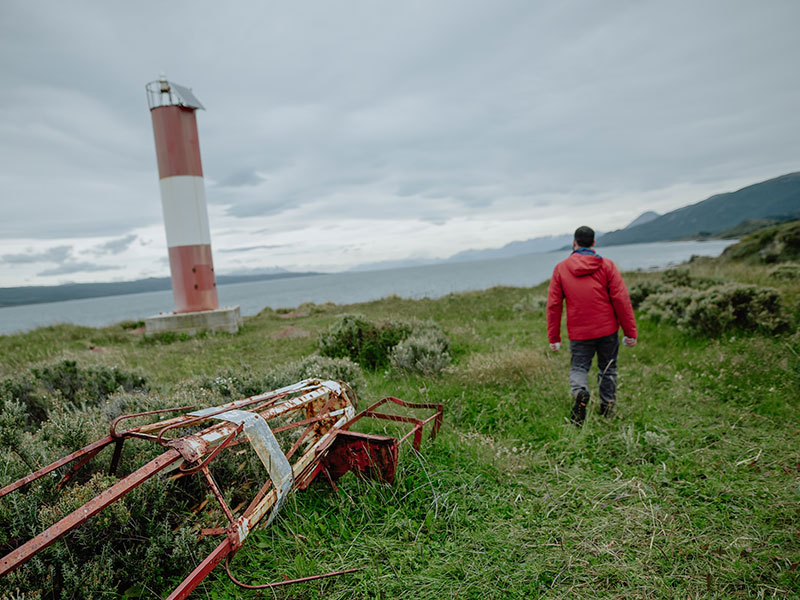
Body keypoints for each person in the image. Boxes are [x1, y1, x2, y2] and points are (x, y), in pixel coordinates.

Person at [546, 226, 637, 425]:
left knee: (579, 367)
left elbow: (553, 305)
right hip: (607, 330)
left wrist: (554, 338)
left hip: (579, 333)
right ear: (594, 243)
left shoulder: (561, 268)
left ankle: (579, 392)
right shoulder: (607, 265)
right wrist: (630, 332)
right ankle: (608, 410)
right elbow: (621, 299)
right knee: (608, 369)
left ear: (574, 243)